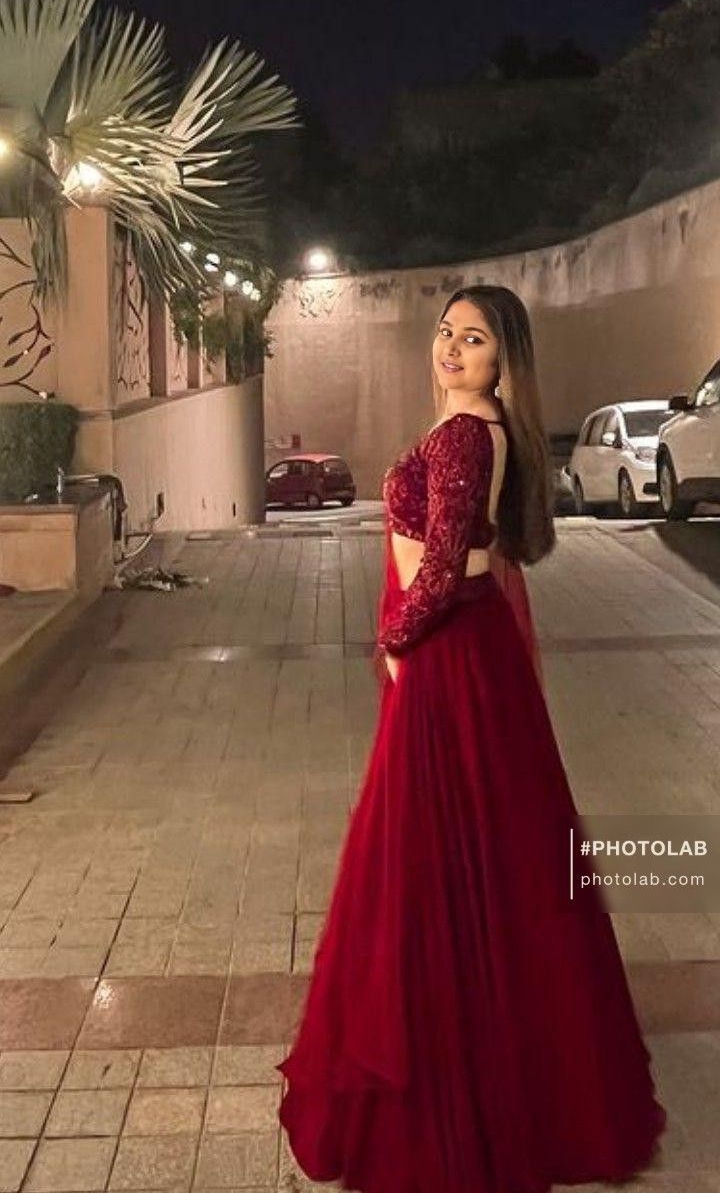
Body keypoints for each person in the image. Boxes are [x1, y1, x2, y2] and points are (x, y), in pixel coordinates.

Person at [275, 284, 667, 1193]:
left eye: (474, 339)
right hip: (470, 650)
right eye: (445, 333)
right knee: (498, 862)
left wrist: (395, 640)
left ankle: (458, 1079)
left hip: (449, 658)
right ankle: (525, 1067)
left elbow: (444, 566)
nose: (450, 349)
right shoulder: (486, 430)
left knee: (430, 863)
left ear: (504, 360)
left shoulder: (463, 435)